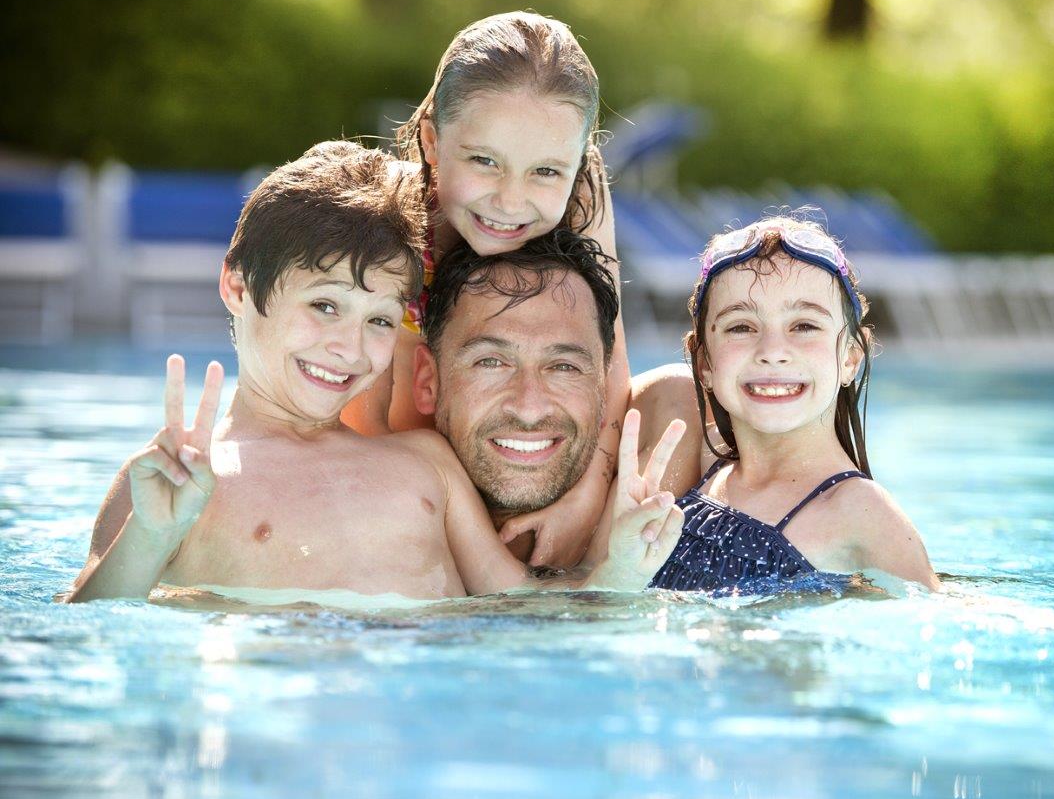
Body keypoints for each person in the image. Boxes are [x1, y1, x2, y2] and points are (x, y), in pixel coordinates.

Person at [65, 141, 682, 605]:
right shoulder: (182, 482)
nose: (348, 348)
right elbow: (88, 629)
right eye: (325, 306)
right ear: (236, 284)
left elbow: (518, 608)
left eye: (381, 321)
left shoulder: (426, 463)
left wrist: (621, 573)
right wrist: (149, 536)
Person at [342, 11, 628, 569]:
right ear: (431, 140)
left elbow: (608, 358)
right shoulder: (385, 221)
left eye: (546, 172)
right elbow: (362, 424)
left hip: (517, 444)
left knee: (673, 395)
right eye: (484, 161)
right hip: (410, 447)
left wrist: (587, 498)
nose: (510, 201)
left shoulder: (581, 192)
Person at [587, 216, 941, 593]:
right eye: (741, 327)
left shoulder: (860, 511)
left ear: (851, 360)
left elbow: (935, 619)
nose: (772, 352)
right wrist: (614, 560)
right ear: (704, 364)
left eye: (804, 326)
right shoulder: (703, 467)